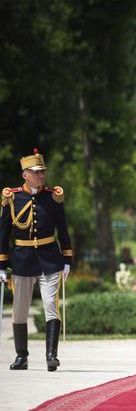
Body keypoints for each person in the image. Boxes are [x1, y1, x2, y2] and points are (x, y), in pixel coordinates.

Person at [0, 149, 72, 371]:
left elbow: (63, 229)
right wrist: (1, 265)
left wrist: (67, 259)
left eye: (43, 172)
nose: (42, 176)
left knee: (51, 305)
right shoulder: (12, 198)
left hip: (50, 259)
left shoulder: (52, 196)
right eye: (36, 172)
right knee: (20, 310)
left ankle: (52, 355)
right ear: (25, 174)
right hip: (22, 260)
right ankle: (22, 357)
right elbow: (3, 234)